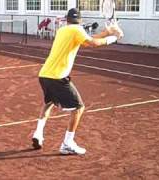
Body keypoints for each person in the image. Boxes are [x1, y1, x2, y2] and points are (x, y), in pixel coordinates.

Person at [31, 8, 123, 155]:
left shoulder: (63, 30)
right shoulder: (76, 30)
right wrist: (114, 38)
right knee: (79, 108)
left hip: (44, 74)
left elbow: (85, 40)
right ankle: (67, 143)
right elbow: (92, 43)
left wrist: (107, 33)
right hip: (58, 77)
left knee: (48, 103)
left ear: (67, 19)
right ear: (80, 20)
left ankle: (38, 133)